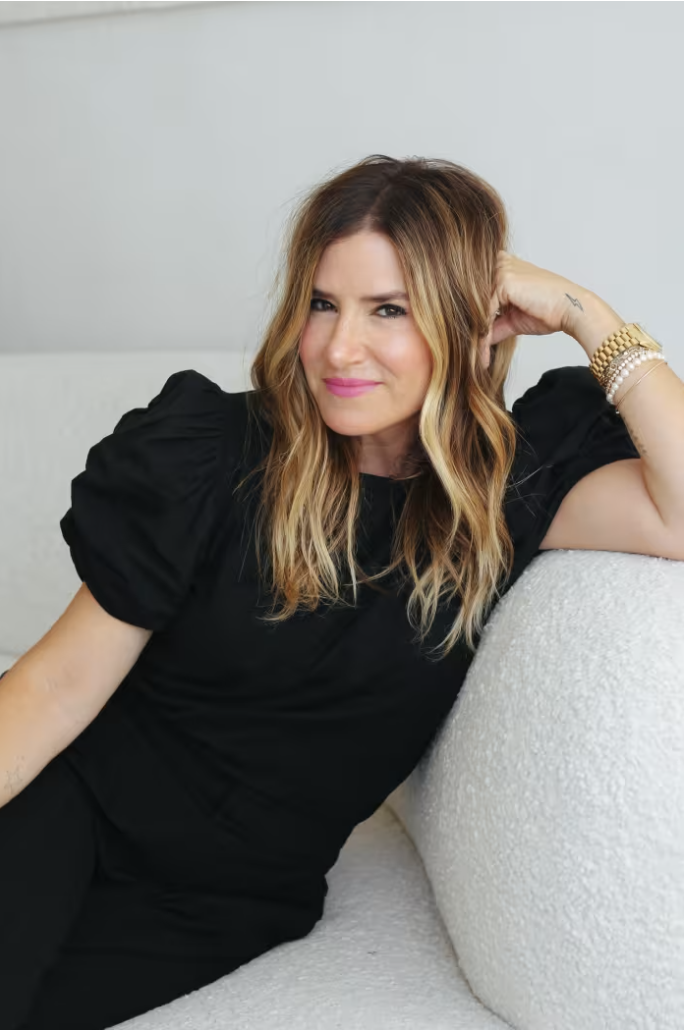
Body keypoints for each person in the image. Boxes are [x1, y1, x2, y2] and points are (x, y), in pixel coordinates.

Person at [3, 152, 673, 1030]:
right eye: (323, 303)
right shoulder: (211, 457)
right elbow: (55, 688)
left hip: (225, 902)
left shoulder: (510, 490)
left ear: (471, 322)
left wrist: (587, 314)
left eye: (389, 309)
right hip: (73, 807)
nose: (338, 348)